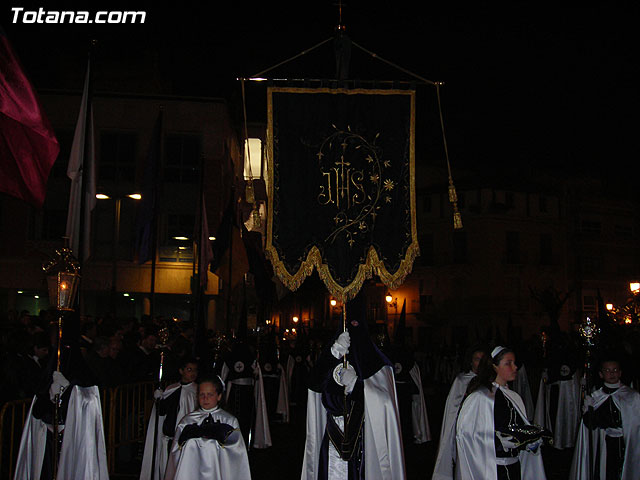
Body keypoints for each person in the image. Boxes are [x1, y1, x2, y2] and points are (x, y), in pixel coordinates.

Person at [301, 293, 406, 480]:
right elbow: (314, 385)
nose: (353, 328)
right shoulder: (332, 353)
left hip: (364, 438)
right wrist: (333, 353)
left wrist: (356, 387)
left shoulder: (377, 363)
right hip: (332, 434)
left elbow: (384, 403)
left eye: (357, 324)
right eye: (350, 324)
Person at [456, 346, 547, 480]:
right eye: (508, 363)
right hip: (494, 470)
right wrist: (498, 442)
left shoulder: (513, 396)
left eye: (514, 363)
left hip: (514, 466)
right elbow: (467, 434)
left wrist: (530, 439)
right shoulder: (481, 397)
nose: (515, 367)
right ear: (494, 366)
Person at [164, 376, 251, 480]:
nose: (205, 398)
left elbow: (237, 453)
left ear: (219, 396)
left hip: (218, 469)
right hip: (192, 471)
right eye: (202, 395)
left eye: (210, 394)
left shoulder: (230, 421)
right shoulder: (187, 421)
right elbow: (176, 453)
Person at [570, 357, 640, 480]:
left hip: (627, 444)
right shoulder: (597, 397)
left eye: (615, 370)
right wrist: (589, 411)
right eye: (607, 370)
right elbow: (591, 425)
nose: (612, 373)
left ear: (620, 373)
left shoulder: (632, 396)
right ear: (601, 374)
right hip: (605, 445)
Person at [432, 346, 487, 480]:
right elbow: (453, 406)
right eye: (476, 359)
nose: (479, 363)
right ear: (470, 361)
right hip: (465, 429)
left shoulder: (489, 382)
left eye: (482, 359)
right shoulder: (462, 380)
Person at [140, 358, 199, 480]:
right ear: (181, 371)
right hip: (169, 436)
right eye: (189, 369)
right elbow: (162, 412)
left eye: (195, 370)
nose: (192, 373)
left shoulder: (197, 391)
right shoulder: (171, 389)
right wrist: (159, 400)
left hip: (185, 439)